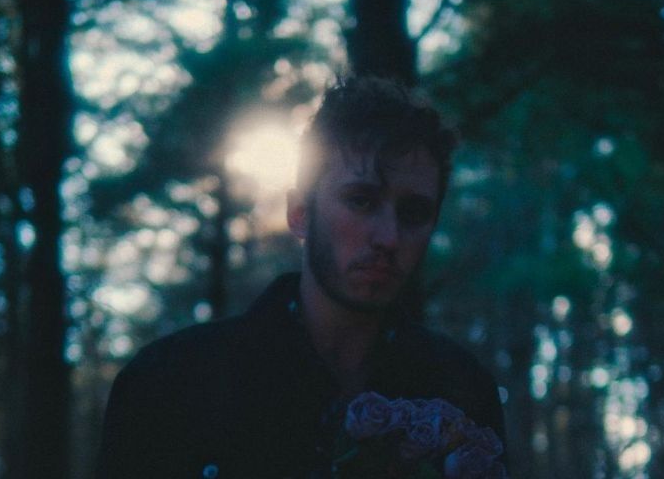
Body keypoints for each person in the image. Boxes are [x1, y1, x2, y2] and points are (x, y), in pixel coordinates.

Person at [96, 76, 506, 478]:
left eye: (414, 213)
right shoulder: (170, 384)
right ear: (299, 213)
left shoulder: (461, 392)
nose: (388, 237)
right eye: (361, 201)